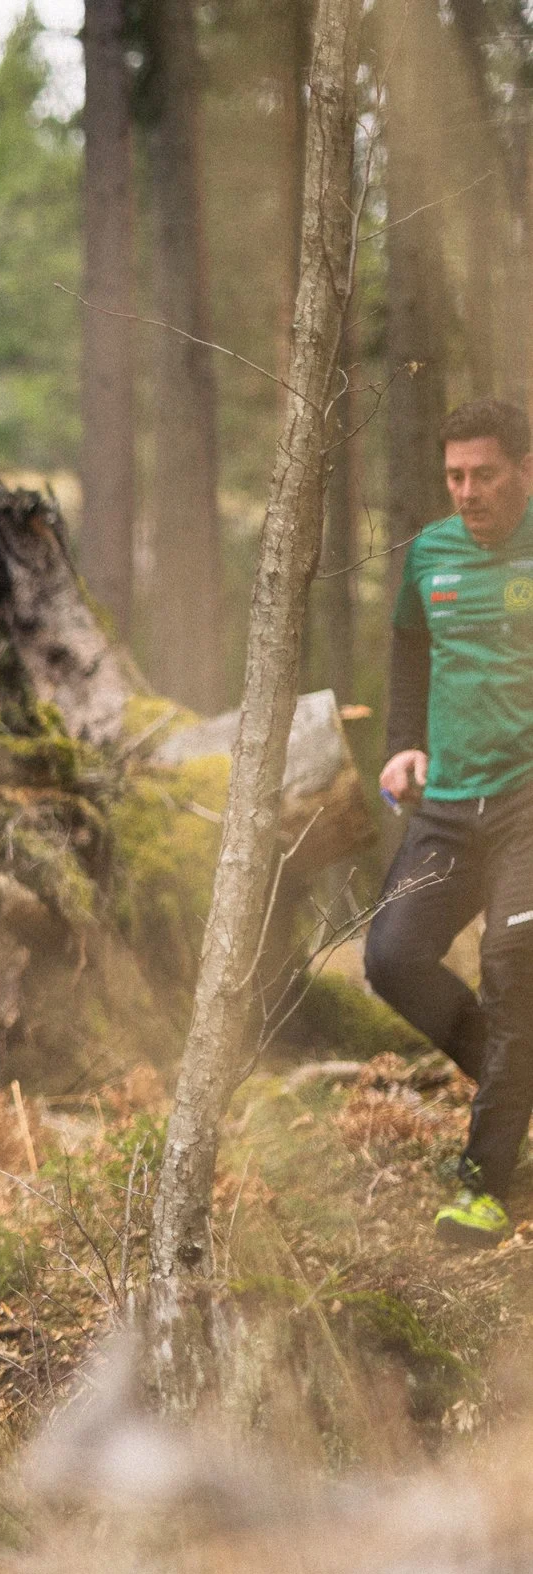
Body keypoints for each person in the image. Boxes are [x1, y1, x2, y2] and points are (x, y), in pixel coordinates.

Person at [364, 397, 533, 1249]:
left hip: (528, 800)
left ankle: (485, 1182)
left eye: (484, 475)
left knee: (511, 966)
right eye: (455, 476)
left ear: (525, 471)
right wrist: (404, 741)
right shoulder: (430, 555)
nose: (467, 492)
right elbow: (409, 646)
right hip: (449, 803)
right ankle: (517, 1082)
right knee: (392, 957)